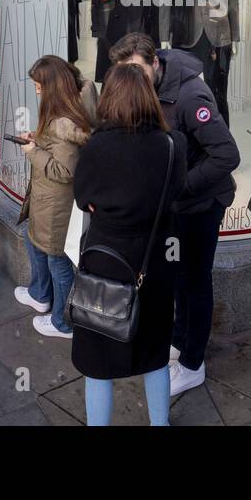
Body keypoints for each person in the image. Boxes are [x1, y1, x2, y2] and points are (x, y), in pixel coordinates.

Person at [107, 31, 240, 397]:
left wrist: (178, 186)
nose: (130, 79)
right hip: (174, 207)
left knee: (195, 282)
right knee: (180, 278)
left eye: (135, 70)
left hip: (200, 205)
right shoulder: (148, 85)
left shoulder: (190, 95)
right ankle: (180, 343)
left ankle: (193, 363)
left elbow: (227, 155)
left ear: (154, 62)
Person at [70, 64, 188, 426]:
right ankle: (160, 423)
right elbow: (176, 193)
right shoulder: (173, 144)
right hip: (154, 261)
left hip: (108, 257)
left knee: (98, 359)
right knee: (154, 351)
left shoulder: (98, 146)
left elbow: (82, 198)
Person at [15, 55, 96, 339]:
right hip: (48, 199)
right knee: (33, 240)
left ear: (53, 86)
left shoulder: (64, 122)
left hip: (57, 203)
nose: (37, 91)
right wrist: (37, 141)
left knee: (57, 260)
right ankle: (40, 294)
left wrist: (32, 152)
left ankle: (63, 323)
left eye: (40, 86)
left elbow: (64, 170)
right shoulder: (64, 111)